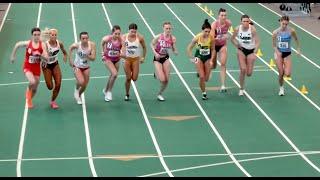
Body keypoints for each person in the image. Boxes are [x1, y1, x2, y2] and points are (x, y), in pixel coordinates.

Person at [10, 27, 49, 108]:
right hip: (28, 66)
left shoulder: (43, 45)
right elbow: (17, 44)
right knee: (32, 82)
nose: (37, 36)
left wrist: (40, 55)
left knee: (35, 88)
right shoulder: (28, 43)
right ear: (32, 35)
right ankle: (28, 94)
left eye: (38, 35)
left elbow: (47, 58)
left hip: (37, 68)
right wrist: (13, 56)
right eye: (35, 35)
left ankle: (29, 99)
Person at [231, 14, 260, 96]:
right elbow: (232, 39)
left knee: (249, 73)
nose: (246, 23)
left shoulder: (252, 29)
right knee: (243, 69)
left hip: (251, 51)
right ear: (241, 22)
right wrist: (237, 45)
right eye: (244, 21)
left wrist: (255, 51)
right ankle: (241, 88)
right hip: (241, 50)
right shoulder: (237, 29)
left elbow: (257, 41)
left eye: (247, 21)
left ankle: (249, 63)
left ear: (249, 21)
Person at [272, 15, 300, 96]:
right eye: (283, 24)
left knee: (287, 74)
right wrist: (277, 51)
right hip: (279, 53)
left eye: (286, 24)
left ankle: (285, 67)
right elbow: (273, 45)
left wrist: (298, 49)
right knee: (281, 73)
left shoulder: (291, 31)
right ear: (280, 22)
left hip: (287, 53)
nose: (284, 25)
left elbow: (296, 39)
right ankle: (281, 88)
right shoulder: (275, 32)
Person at [187, 19, 215, 100]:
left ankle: (203, 72)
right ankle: (204, 93)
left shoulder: (211, 38)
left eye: (208, 31)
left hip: (207, 57)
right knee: (202, 77)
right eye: (205, 31)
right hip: (198, 57)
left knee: (206, 79)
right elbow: (189, 48)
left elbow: (213, 49)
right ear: (202, 30)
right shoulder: (197, 38)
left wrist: (212, 60)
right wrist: (191, 58)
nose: (207, 33)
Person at [40, 28, 68, 109]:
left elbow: (64, 52)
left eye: (55, 35)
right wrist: (43, 55)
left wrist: (65, 56)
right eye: (52, 35)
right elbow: (42, 53)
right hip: (46, 66)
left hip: (55, 64)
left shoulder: (59, 43)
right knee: (50, 87)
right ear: (49, 35)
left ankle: (52, 101)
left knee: (58, 84)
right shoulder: (45, 44)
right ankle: (49, 78)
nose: (54, 36)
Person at [151, 21, 178, 101]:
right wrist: (155, 53)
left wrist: (175, 51)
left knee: (166, 80)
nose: (168, 30)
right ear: (163, 28)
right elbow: (152, 44)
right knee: (162, 79)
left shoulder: (173, 38)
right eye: (167, 28)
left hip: (166, 58)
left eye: (169, 28)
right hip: (158, 59)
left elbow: (173, 47)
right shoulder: (158, 37)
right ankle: (157, 73)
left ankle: (160, 94)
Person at [69, 31, 96, 104]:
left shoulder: (92, 45)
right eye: (83, 38)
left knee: (84, 85)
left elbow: (93, 58)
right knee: (81, 82)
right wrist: (70, 60)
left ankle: (78, 95)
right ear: (80, 39)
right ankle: (76, 89)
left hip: (86, 67)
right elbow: (70, 48)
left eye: (86, 38)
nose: (85, 40)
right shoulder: (77, 45)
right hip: (77, 66)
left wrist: (87, 55)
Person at [121, 23, 147, 101]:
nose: (133, 33)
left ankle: (131, 76)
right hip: (127, 59)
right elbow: (121, 47)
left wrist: (143, 57)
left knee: (134, 78)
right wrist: (122, 54)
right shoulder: (124, 37)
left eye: (135, 32)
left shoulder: (140, 37)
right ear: (128, 30)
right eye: (132, 31)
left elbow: (144, 47)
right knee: (128, 78)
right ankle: (127, 94)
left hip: (136, 59)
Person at [211, 8, 232, 92]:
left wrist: (228, 36)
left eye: (225, 15)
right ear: (218, 16)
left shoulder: (228, 23)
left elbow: (229, 34)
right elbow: (212, 38)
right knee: (214, 66)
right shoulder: (214, 25)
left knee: (223, 63)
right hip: (214, 46)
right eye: (222, 15)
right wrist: (221, 36)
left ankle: (223, 85)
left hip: (223, 45)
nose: (223, 17)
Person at [101, 25, 123, 102]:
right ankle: (109, 92)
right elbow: (102, 43)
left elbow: (124, 50)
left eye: (119, 33)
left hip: (117, 59)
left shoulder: (121, 40)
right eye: (115, 33)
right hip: (108, 59)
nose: (117, 35)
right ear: (112, 33)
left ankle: (105, 90)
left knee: (113, 75)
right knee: (114, 74)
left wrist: (122, 54)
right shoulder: (107, 38)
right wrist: (103, 53)